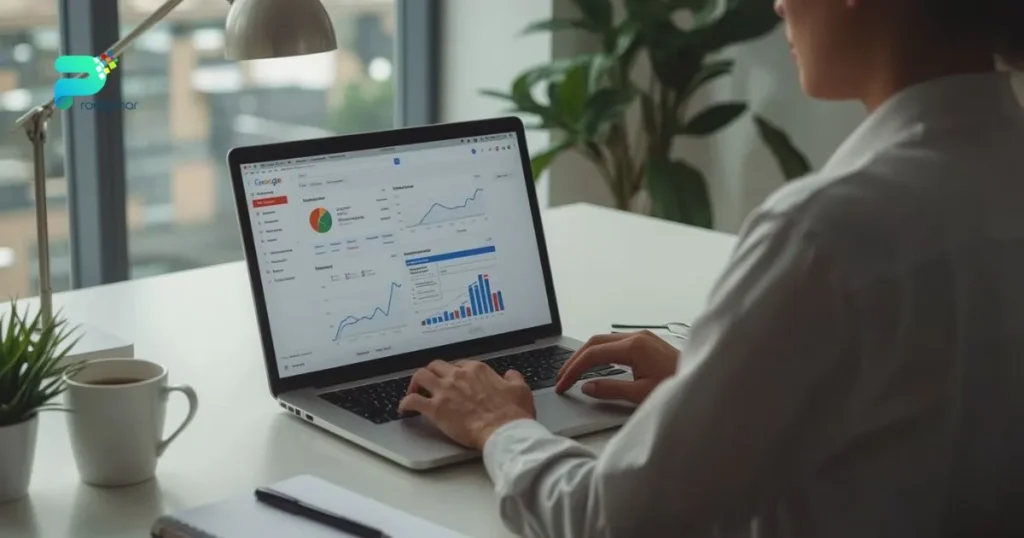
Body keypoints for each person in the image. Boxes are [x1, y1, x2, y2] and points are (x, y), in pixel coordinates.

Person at [399, 0, 1024, 536]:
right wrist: (723, 385)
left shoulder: (825, 231)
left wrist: (497, 424)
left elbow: (608, 522)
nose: (778, 3)